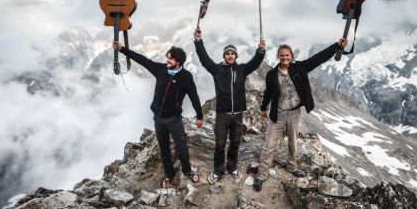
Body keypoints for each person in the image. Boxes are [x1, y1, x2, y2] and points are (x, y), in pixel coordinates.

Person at [253, 38, 348, 191]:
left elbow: (319, 58)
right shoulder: (271, 74)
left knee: (293, 142)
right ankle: (261, 175)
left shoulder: (300, 68)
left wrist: (337, 46)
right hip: (278, 113)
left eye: (287, 55)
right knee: (269, 144)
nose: (285, 58)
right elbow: (268, 93)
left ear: (291, 56)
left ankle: (292, 166)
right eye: (282, 55)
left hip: (294, 113)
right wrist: (263, 107)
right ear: (278, 56)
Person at [113, 42, 204, 188]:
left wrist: (199, 116)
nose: (167, 60)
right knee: (164, 149)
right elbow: (142, 60)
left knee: (181, 147)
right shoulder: (160, 69)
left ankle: (187, 171)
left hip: (174, 119)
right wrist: (122, 49)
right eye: (167, 57)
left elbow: (194, 97)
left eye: (170, 59)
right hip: (158, 119)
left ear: (178, 62)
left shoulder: (186, 77)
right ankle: (169, 175)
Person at [194, 28, 266, 184]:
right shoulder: (217, 70)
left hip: (238, 113)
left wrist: (260, 51)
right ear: (224, 56)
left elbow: (255, 62)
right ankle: (218, 170)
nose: (230, 56)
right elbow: (204, 59)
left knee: (235, 142)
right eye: (227, 54)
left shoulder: (242, 69)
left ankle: (232, 167)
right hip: (222, 114)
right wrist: (198, 42)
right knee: (220, 143)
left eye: (233, 53)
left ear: (236, 56)